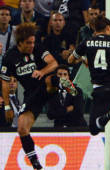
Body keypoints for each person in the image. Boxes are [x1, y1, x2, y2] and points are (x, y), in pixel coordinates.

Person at [0, 22, 75, 170]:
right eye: (29, 43)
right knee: (22, 127)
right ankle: (36, 164)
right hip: (33, 95)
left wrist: (42, 71)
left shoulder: (38, 48)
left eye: (33, 42)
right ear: (20, 43)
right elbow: (4, 83)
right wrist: (7, 106)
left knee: (48, 79)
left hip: (47, 86)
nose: (32, 45)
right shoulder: (9, 57)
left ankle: (67, 87)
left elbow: (53, 63)